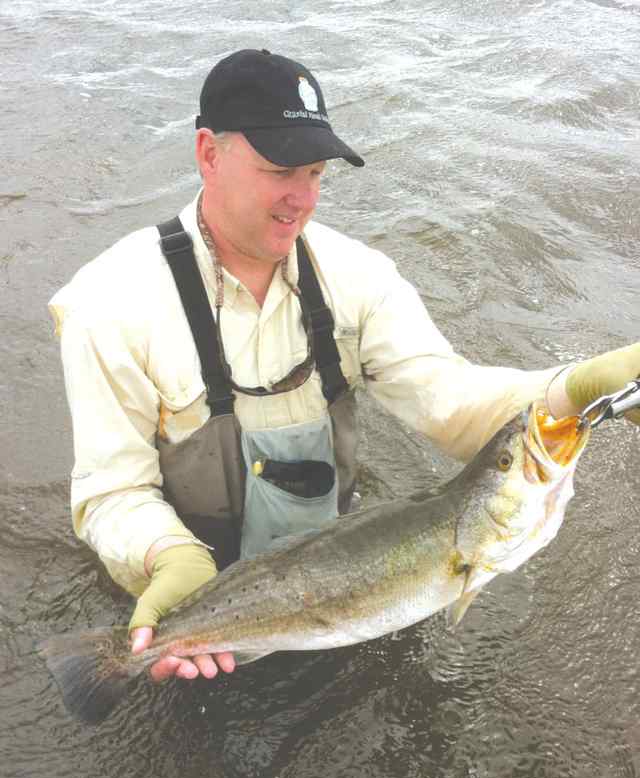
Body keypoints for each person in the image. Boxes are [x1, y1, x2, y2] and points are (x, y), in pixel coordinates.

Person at [49, 49, 640, 685]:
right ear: (209, 154)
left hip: (338, 577)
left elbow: (448, 398)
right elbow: (112, 492)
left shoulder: (359, 278)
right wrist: (168, 558)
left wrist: (577, 390)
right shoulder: (107, 304)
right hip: (178, 589)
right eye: (280, 170)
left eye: (315, 172)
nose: (301, 199)